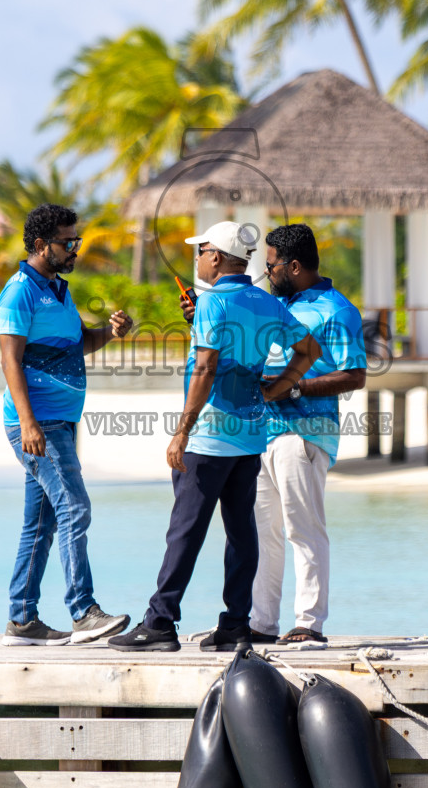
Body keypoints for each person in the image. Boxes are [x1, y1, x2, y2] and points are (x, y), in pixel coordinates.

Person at [109, 222, 320, 653]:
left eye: (202, 250)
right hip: (250, 438)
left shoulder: (213, 304)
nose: (198, 258)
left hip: (209, 437)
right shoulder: (266, 302)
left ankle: (160, 623)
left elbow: (205, 369)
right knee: (242, 534)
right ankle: (235, 624)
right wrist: (276, 387)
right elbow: (309, 352)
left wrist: (180, 433)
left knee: (184, 531)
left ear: (218, 257)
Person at [0, 203, 134, 646]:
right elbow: (10, 359)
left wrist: (110, 333)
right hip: (38, 425)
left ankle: (22, 621)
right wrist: (28, 422)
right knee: (75, 508)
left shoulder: (59, 289)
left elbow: (79, 344)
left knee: (40, 524)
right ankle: (83, 611)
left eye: (77, 241)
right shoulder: (19, 291)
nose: (75, 248)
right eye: (67, 242)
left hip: (60, 423)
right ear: (41, 245)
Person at [249, 224, 366, 648]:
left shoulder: (337, 311)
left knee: (304, 529)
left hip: (305, 433)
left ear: (293, 266)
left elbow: (355, 376)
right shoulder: (275, 304)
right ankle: (261, 623)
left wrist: (294, 388)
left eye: (270, 265)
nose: (265, 273)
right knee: (264, 533)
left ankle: (309, 624)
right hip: (262, 433)